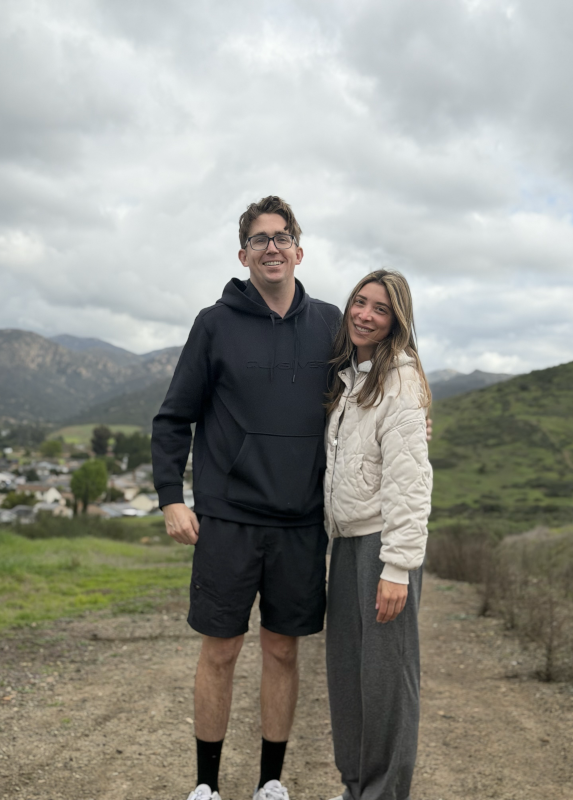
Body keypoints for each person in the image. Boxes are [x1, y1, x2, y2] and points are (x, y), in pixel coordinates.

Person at [151, 196, 342, 800]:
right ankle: (206, 786)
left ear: (299, 251)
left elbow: (369, 391)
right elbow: (173, 418)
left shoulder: (331, 323)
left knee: (282, 652)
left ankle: (270, 782)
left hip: (301, 522)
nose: (272, 247)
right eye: (260, 239)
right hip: (227, 518)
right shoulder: (215, 323)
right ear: (244, 255)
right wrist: (170, 497)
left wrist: (415, 414)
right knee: (221, 651)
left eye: (282, 237)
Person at [323, 270, 433, 800]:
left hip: (383, 546)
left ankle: (384, 794)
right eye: (360, 302)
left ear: (396, 322)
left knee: (387, 682)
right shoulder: (351, 378)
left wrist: (398, 567)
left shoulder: (401, 381)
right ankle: (356, 788)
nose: (365, 314)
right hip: (346, 543)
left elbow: (410, 481)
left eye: (380, 309)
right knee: (347, 676)